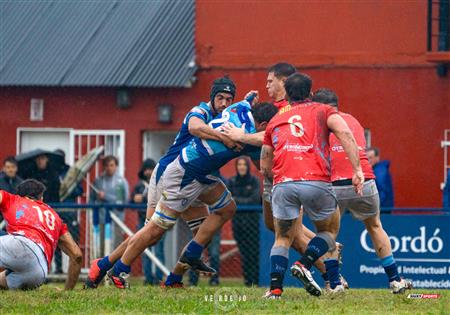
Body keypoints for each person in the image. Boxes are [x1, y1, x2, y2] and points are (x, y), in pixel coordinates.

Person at [85, 76, 241, 289]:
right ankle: (108, 266)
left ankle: (172, 279)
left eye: (229, 99)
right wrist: (224, 138)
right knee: (152, 233)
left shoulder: (229, 118)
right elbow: (195, 127)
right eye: (220, 97)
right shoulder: (201, 111)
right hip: (171, 174)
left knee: (201, 233)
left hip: (200, 180)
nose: (224, 103)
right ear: (212, 97)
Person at [106, 101, 277, 289]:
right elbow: (265, 141)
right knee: (155, 230)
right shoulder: (245, 137)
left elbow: (246, 102)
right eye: (269, 127)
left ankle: (190, 257)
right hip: (185, 175)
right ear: (261, 125)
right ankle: (119, 270)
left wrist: (250, 98)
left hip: (202, 173)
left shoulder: (241, 107)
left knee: (227, 208)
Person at [222, 63, 334, 286]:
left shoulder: (293, 108)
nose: (266, 85)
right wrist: (248, 109)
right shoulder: (274, 108)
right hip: (271, 178)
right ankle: (324, 248)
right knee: (275, 226)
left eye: (270, 81)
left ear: (284, 82)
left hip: (290, 177)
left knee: (288, 233)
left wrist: (241, 135)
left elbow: (267, 136)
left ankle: (331, 276)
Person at [260, 73, 364, 299]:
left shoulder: (277, 117)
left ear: (286, 94)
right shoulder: (322, 110)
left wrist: (275, 181)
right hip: (315, 180)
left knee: (282, 238)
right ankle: (305, 263)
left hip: (283, 183)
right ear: (311, 93)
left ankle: (275, 289)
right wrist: (357, 169)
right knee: (328, 230)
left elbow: (265, 160)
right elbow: (344, 133)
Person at [312, 88, 412, 294]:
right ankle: (395, 280)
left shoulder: (320, 123)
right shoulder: (354, 120)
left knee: (328, 233)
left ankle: (335, 283)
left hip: (335, 184)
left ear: (320, 107)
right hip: (364, 180)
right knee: (375, 226)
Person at [0, 179, 82, 290]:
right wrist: (67, 292)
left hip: (21, 244)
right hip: (39, 271)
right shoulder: (56, 218)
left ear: (21, 195)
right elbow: (77, 255)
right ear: (41, 198)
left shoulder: (15, 199)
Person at [131, 158, 166, 285]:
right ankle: (148, 278)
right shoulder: (139, 186)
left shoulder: (161, 183)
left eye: (151, 169)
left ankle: (159, 277)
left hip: (159, 221)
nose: (148, 172)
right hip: (142, 221)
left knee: (159, 250)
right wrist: (135, 199)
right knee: (145, 250)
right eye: (146, 169)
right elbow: (130, 202)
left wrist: (146, 198)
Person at [227, 156, 261, 286]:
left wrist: (238, 200)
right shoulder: (232, 181)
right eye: (239, 165)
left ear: (248, 167)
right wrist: (239, 200)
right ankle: (247, 281)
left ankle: (256, 281)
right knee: (244, 254)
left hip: (252, 224)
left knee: (254, 253)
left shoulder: (254, 181)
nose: (242, 167)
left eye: (244, 165)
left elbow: (255, 199)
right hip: (238, 223)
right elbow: (229, 200)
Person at [54, 149, 83, 274]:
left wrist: (69, 189)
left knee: (74, 239)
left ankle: (75, 267)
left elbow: (80, 190)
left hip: (71, 210)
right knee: (56, 240)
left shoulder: (71, 171)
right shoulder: (53, 172)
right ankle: (58, 268)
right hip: (57, 211)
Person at [91, 155, 129, 250]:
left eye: (112, 165)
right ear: (103, 167)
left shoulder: (121, 181)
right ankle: (102, 264)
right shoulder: (98, 181)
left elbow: (125, 201)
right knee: (102, 246)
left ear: (116, 166)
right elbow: (91, 199)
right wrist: (97, 198)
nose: (109, 168)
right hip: (102, 219)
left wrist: (106, 196)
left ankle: (116, 265)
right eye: (107, 165)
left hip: (117, 219)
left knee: (117, 246)